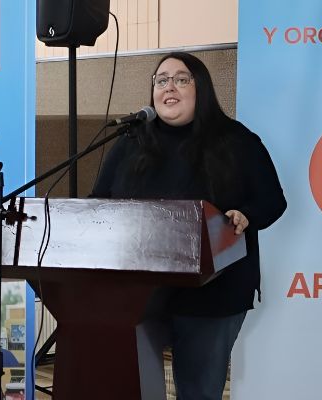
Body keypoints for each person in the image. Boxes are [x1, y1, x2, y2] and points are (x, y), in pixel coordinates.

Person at [91, 52, 287, 399]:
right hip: (138, 291)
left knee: (198, 391)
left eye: (182, 79)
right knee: (135, 386)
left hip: (214, 292)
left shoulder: (237, 140)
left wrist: (246, 215)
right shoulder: (132, 141)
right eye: (161, 80)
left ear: (202, 89)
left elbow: (272, 200)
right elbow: (99, 202)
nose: (170, 87)